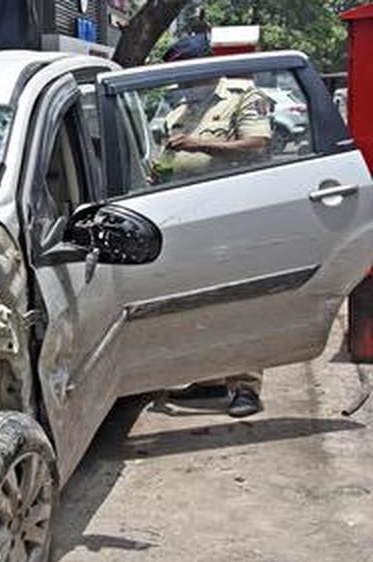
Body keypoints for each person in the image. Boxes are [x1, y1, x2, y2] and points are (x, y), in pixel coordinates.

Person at [156, 30, 269, 418]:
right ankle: (209, 380)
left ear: (204, 66)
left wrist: (199, 145)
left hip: (232, 216)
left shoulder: (242, 96)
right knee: (199, 301)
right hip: (190, 221)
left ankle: (246, 386)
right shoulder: (178, 110)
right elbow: (170, 160)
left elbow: (257, 145)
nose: (180, 82)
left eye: (184, 73)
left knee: (238, 302)